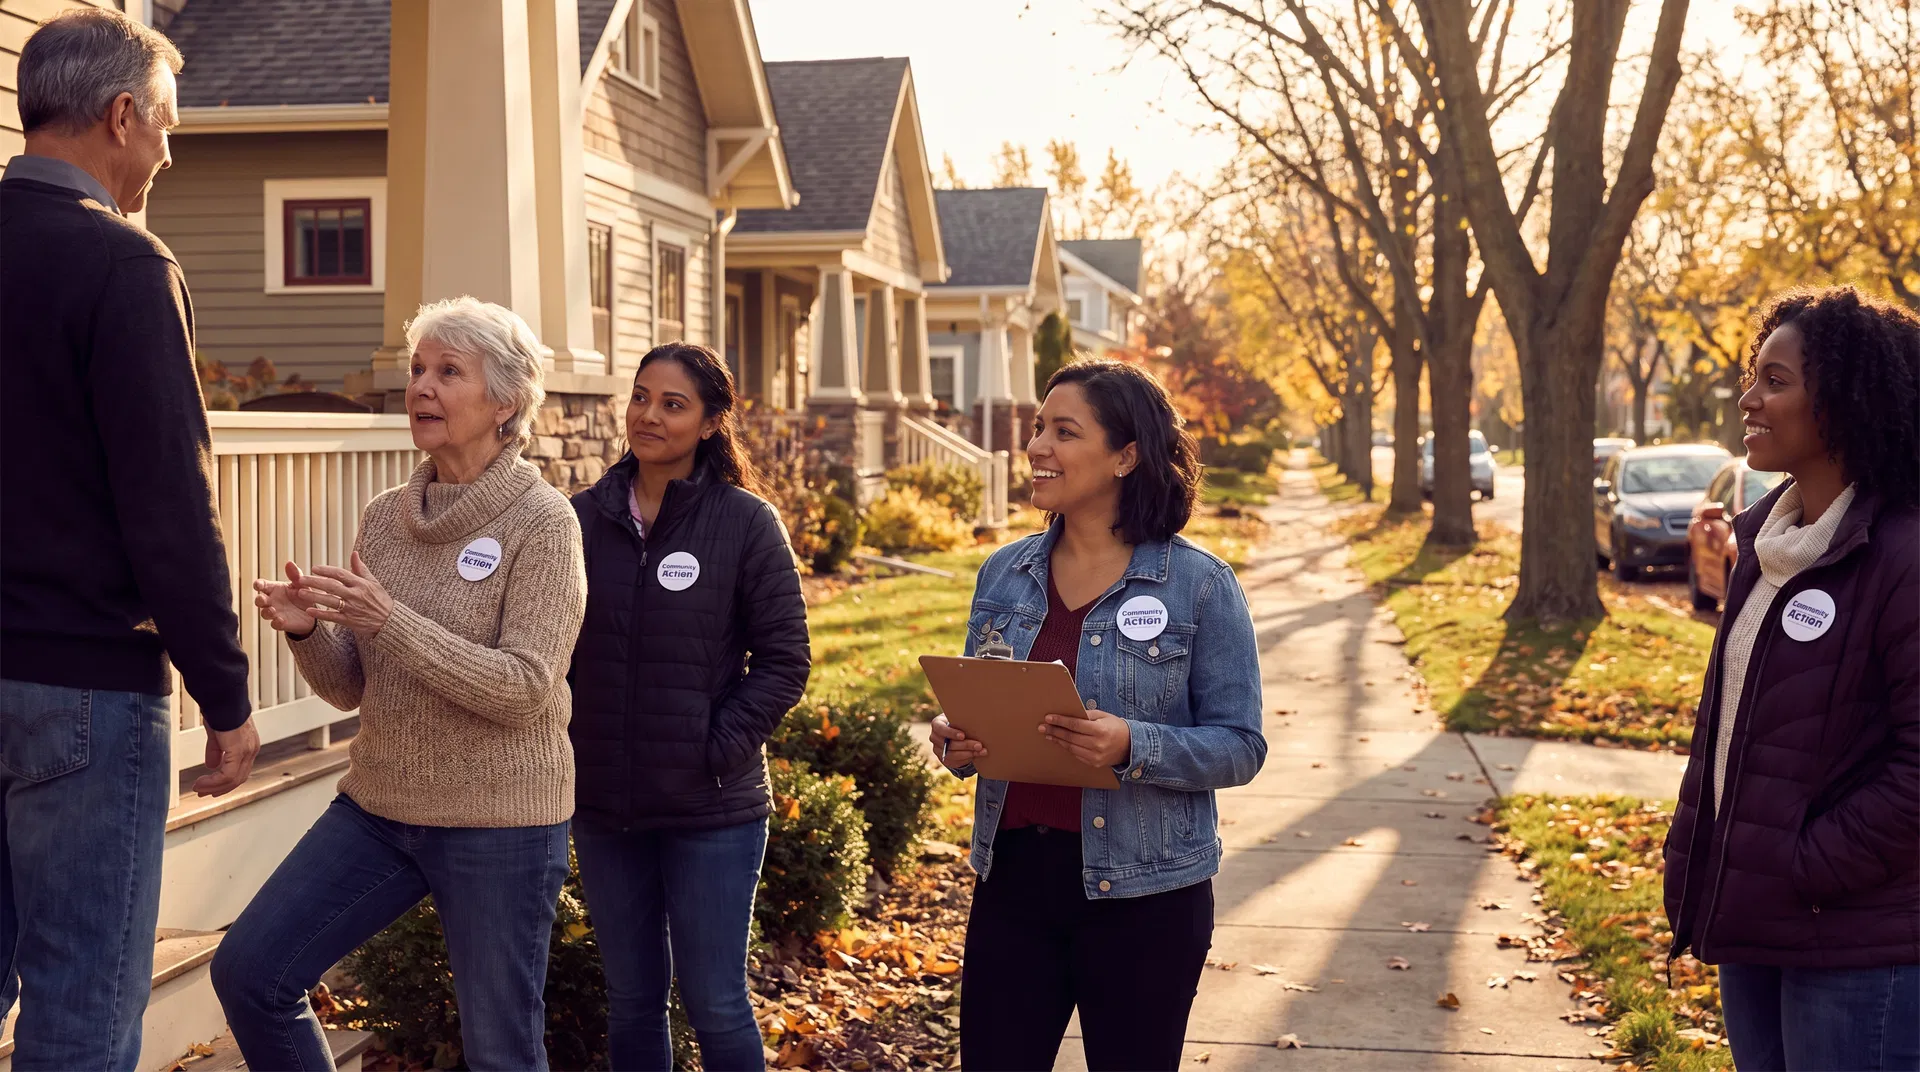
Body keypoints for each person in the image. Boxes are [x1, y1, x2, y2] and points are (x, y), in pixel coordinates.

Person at [210, 298, 586, 1071]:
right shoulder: (386, 518)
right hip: (380, 809)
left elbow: (524, 687)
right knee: (251, 972)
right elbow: (352, 688)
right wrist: (309, 632)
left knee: (502, 1053)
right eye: (418, 369)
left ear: (505, 401)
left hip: (499, 820)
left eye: (449, 372)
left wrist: (391, 622)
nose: (422, 386)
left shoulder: (544, 523)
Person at [0, 11, 258, 1069]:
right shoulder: (122, 264)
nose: (167, 152)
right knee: (82, 1008)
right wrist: (226, 695)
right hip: (83, 690)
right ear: (120, 116)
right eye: (166, 127)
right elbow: (169, 504)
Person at [929, 359, 1267, 1071]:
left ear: (1125, 456)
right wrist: (958, 740)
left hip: (1146, 897)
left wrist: (1131, 744)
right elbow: (984, 703)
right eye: (1037, 428)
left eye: (1064, 431)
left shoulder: (1199, 587)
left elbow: (1240, 745)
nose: (1036, 447)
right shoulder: (1004, 573)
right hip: (1013, 883)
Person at [1664, 285, 1919, 1071]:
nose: (1749, 399)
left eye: (1775, 382)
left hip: (1857, 945)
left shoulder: (1904, 557)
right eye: (1754, 377)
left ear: (1842, 403)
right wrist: (1705, 854)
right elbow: (1734, 731)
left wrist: (1799, 864)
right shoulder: (1767, 548)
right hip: (1755, 921)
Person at [567, 342, 810, 1071]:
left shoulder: (745, 522)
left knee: (716, 1002)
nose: (649, 415)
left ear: (709, 424)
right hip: (605, 808)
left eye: (673, 405)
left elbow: (785, 661)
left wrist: (711, 749)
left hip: (712, 810)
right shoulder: (579, 519)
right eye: (641, 397)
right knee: (632, 1001)